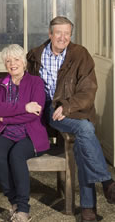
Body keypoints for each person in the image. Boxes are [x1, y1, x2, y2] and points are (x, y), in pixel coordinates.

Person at [26, 16, 115, 222]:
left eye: (67, 33)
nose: (63, 37)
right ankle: (104, 187)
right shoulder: (34, 56)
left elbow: (88, 91)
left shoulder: (80, 54)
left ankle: (88, 209)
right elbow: (21, 80)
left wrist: (67, 106)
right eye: (58, 33)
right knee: (86, 131)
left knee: (84, 137)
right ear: (50, 34)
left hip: (74, 110)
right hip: (49, 111)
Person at [0, 44, 49, 222]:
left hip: (30, 135)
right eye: (8, 61)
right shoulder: (0, 84)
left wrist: (6, 118)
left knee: (16, 155)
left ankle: (23, 209)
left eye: (16, 59)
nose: (12, 64)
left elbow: (34, 115)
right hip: (6, 133)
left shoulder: (36, 82)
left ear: (23, 62)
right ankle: (14, 201)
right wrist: (23, 107)